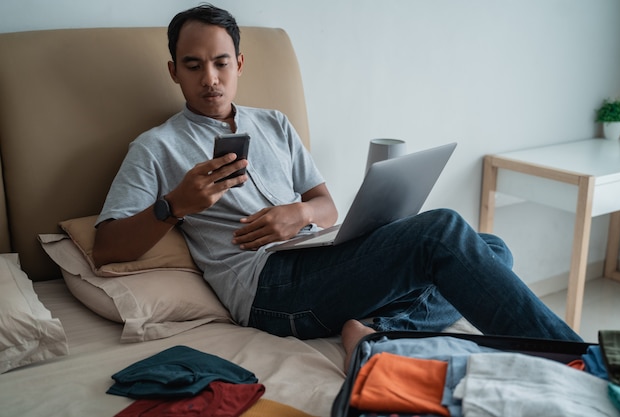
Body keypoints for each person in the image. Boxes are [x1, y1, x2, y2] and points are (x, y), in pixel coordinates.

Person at [93, 4, 582, 367]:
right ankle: (576, 360)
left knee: (492, 248)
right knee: (444, 232)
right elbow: (106, 248)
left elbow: (325, 206)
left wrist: (300, 215)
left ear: (239, 65)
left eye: (221, 62)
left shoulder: (275, 124)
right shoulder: (154, 147)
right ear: (173, 71)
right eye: (194, 65)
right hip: (270, 289)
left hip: (321, 255)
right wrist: (175, 205)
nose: (211, 79)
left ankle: (378, 334)